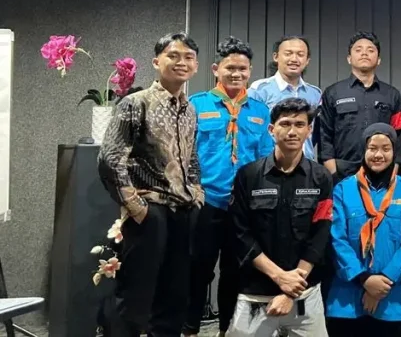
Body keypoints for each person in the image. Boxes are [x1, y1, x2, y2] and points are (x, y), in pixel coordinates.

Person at [97, 33, 203, 337]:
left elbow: (191, 156)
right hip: (150, 212)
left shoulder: (189, 109)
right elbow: (110, 158)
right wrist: (135, 205)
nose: (181, 62)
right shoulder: (135, 103)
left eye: (188, 57)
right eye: (173, 56)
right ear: (157, 62)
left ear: (196, 65)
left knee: (174, 295)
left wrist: (197, 191)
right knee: (135, 295)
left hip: (183, 210)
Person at [186, 36, 275, 337]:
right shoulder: (196, 105)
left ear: (250, 72)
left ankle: (227, 330)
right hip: (206, 201)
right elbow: (184, 153)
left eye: (243, 69)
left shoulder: (260, 111)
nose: (237, 74)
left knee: (235, 272)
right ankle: (189, 329)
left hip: (242, 206)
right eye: (230, 68)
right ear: (216, 69)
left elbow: (265, 159)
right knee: (198, 269)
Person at [226, 98, 333, 336]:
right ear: (271, 129)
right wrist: (279, 277)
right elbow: (240, 235)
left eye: (299, 124)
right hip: (255, 295)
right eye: (285, 124)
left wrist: (290, 289)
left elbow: (320, 236)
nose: (292, 131)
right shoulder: (248, 175)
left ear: (309, 130)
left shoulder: (321, 178)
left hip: (304, 294)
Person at [326, 124, 401, 336]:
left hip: (394, 300)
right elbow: (337, 239)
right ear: (363, 151)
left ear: (394, 152)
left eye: (386, 148)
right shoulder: (343, 189)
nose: (378, 155)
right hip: (348, 302)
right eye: (372, 148)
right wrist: (365, 280)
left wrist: (383, 283)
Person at [317, 31, 401, 179]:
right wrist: (332, 170)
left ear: (378, 60)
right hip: (342, 171)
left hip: (382, 169)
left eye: (370, 50)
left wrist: (394, 169)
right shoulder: (333, 92)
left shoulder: (392, 94)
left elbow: (399, 134)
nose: (364, 53)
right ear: (349, 59)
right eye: (358, 50)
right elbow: (324, 133)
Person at [250, 35, 322, 159]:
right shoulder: (259, 90)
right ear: (276, 57)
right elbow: (251, 131)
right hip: (270, 164)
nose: (294, 59)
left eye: (300, 54)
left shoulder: (315, 93)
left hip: (306, 164)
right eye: (288, 54)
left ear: (307, 60)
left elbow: (315, 133)